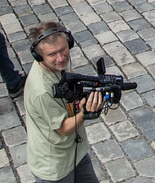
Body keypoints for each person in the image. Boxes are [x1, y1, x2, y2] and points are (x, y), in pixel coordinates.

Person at [25, 21, 105, 183]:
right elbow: (63, 129)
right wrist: (85, 112)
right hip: (54, 165)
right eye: (52, 54)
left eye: (63, 50)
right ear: (39, 56)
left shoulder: (59, 66)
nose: (60, 58)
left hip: (76, 151)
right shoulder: (41, 91)